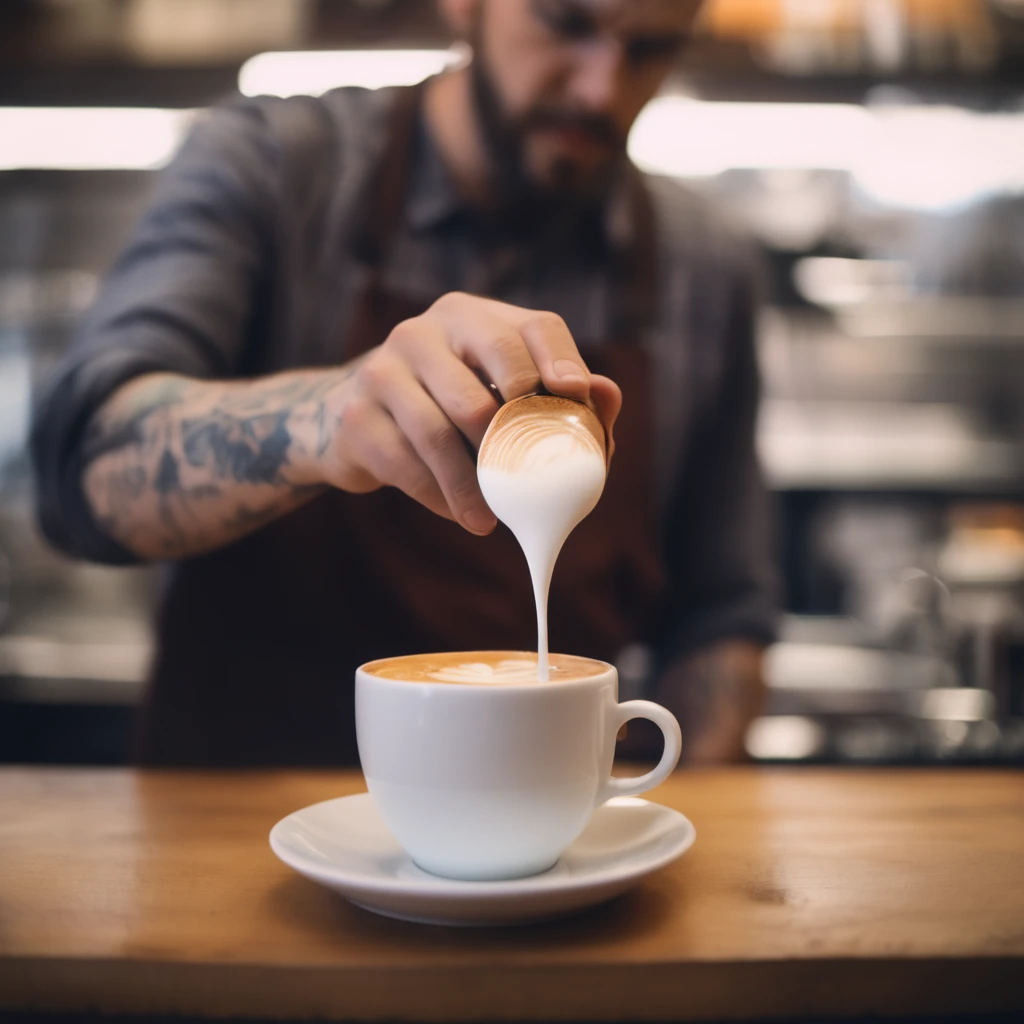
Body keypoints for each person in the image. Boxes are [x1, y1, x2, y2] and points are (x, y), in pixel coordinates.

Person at [31, 0, 778, 767]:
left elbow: (720, 613)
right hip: (236, 828)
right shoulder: (276, 169)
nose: (601, 89)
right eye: (566, 24)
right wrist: (322, 420)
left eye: (652, 49)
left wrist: (668, 824)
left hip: (548, 846)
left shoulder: (703, 268)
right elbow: (81, 469)